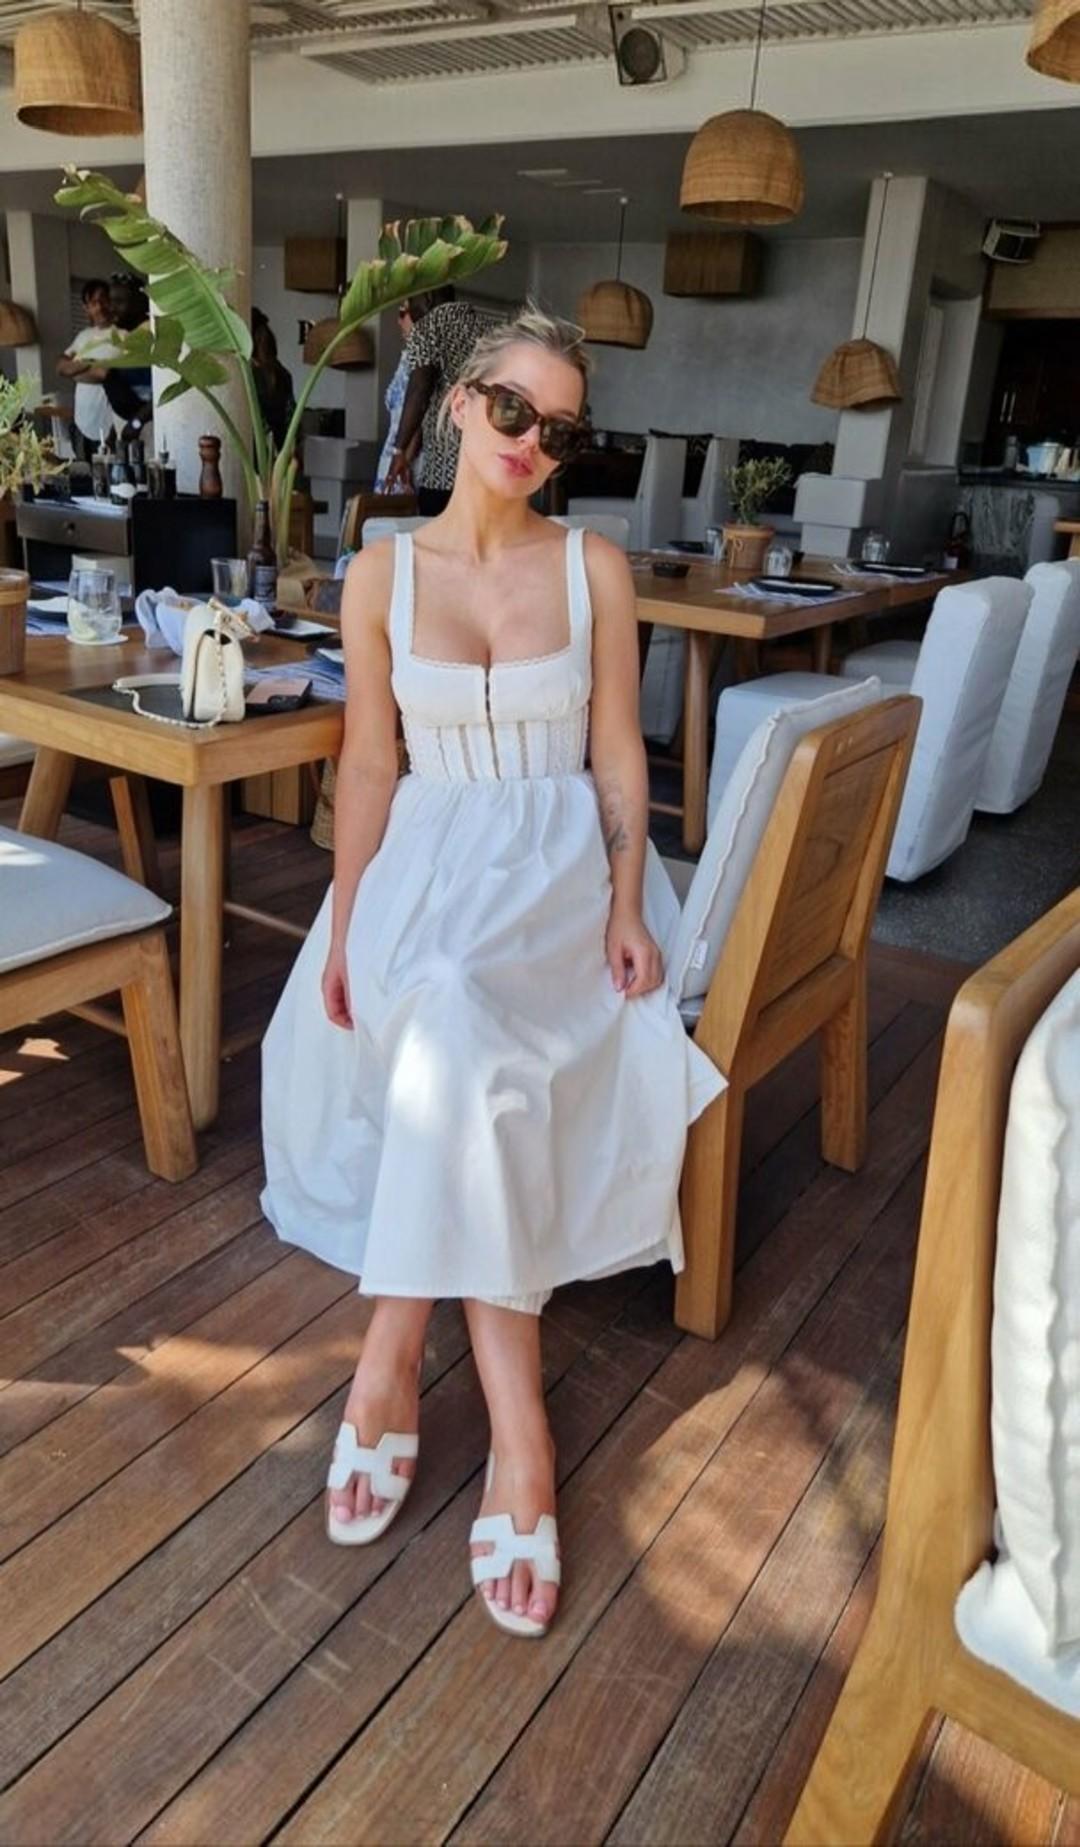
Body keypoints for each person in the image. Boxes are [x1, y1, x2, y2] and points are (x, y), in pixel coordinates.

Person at [261, 306, 724, 1639]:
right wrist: (347, 924)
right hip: (425, 859)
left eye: (560, 430)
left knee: (461, 1011)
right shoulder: (379, 573)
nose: (531, 442)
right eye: (512, 409)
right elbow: (368, 761)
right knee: (446, 1009)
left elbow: (619, 753)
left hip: (558, 864)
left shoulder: (594, 567)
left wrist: (628, 901)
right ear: (460, 402)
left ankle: (394, 1358)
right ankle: (515, 1426)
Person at [385, 286, 485, 514]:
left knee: (437, 529)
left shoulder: (428, 327)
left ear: (427, 297)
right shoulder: (484, 326)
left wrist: (399, 451)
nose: (408, 309)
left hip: (444, 469)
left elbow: (420, 389)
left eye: (409, 302)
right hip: (481, 467)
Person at [56, 278, 119, 457]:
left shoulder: (123, 335)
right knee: (82, 471)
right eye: (93, 302)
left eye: (103, 299)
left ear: (111, 301)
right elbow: (60, 366)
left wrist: (74, 371)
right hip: (81, 422)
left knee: (111, 472)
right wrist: (90, 363)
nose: (99, 307)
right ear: (86, 308)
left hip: (111, 426)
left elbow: (104, 374)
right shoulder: (83, 336)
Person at [373, 296, 427, 494]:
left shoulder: (421, 361)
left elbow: (419, 415)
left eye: (403, 313)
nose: (399, 321)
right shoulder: (408, 357)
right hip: (394, 454)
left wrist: (404, 457)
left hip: (405, 461)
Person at [102, 273, 154, 447]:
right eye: (111, 301)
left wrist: (136, 422)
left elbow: (163, 391)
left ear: (140, 303)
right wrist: (114, 430)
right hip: (131, 431)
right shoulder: (130, 336)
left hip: (148, 430)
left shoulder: (151, 336)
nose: (112, 308)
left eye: (119, 302)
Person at [251, 307, 295, 452]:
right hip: (283, 450)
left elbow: (260, 422)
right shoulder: (284, 374)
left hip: (261, 452)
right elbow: (292, 419)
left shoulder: (249, 377)